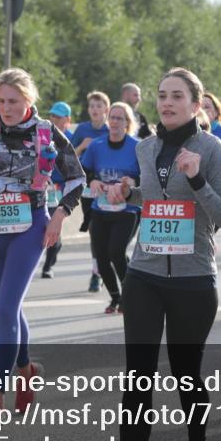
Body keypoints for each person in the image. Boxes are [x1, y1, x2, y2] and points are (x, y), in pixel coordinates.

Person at [101, 68, 221, 441]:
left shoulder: (211, 148)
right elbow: (156, 199)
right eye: (162, 95)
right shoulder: (145, 147)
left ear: (196, 104)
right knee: (137, 377)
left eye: (177, 96)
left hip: (193, 279)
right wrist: (129, 193)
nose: (167, 102)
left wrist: (197, 179)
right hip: (144, 275)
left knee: (186, 375)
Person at [0, 68, 84, 417]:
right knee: (8, 308)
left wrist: (60, 215)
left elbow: (76, 178)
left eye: (14, 101)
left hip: (31, 224)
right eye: (1, 101)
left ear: (29, 100)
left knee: (7, 307)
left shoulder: (46, 131)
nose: (6, 108)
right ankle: (25, 371)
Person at [80, 102, 141, 312]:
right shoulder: (96, 146)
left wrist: (133, 182)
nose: (114, 122)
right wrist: (93, 181)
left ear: (127, 123)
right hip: (101, 208)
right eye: (112, 117)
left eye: (119, 118)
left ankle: (129, 296)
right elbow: (83, 171)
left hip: (127, 210)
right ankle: (116, 298)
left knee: (116, 251)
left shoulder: (136, 146)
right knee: (101, 256)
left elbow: (147, 176)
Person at [41, 101, 75, 278]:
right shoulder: (43, 135)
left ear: (67, 120)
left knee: (53, 228)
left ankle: (47, 266)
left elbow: (77, 167)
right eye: (52, 115)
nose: (53, 119)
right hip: (40, 189)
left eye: (58, 116)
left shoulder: (71, 138)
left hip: (60, 191)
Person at [71, 91, 111, 238]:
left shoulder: (110, 130)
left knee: (106, 218)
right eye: (92, 106)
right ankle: (97, 251)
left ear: (106, 109)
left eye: (98, 106)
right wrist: (82, 146)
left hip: (107, 179)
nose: (94, 109)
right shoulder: (82, 129)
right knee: (91, 219)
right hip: (87, 179)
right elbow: (69, 156)